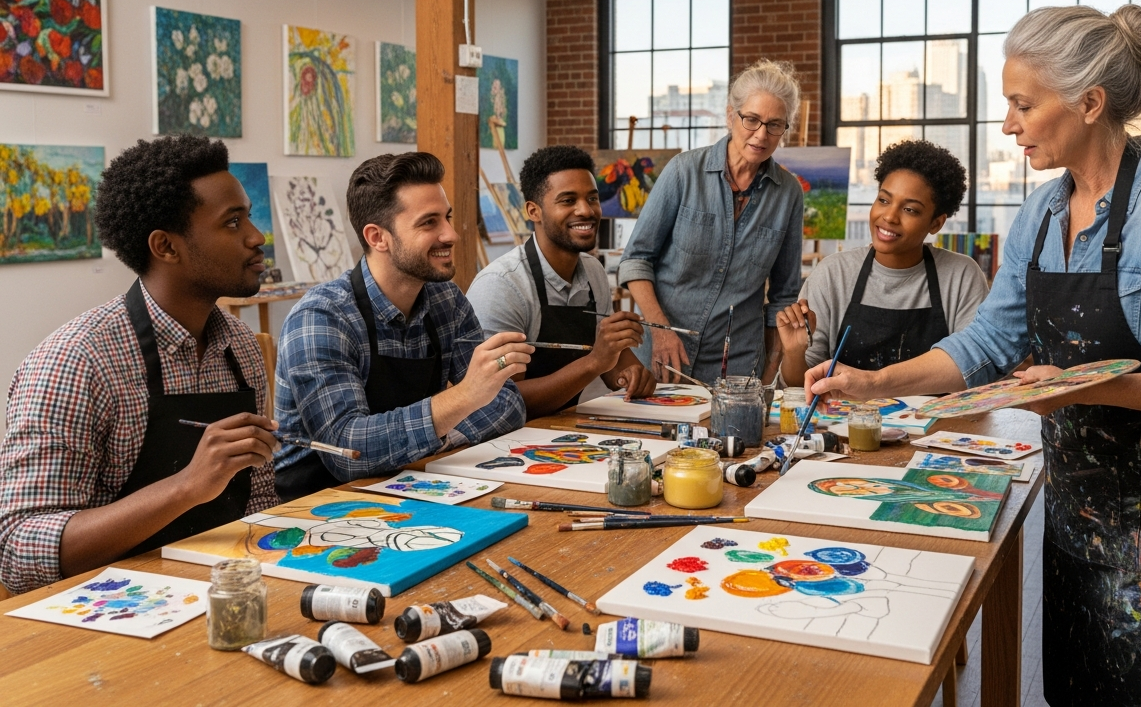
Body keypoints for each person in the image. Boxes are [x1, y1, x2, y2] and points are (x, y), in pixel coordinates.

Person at [805, 5, 1141, 707]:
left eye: (1023, 104)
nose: (1008, 125)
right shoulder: (1043, 214)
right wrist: (874, 383)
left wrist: (1086, 389)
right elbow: (990, 342)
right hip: (1080, 512)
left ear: (1088, 103)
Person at [0, 136, 279, 595]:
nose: (256, 236)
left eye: (248, 215)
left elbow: (259, 502)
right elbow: (19, 553)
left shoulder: (240, 348)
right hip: (108, 618)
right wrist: (186, 486)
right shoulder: (76, 361)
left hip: (221, 591)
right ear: (166, 247)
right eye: (233, 222)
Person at [273, 152, 528, 501]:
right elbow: (346, 451)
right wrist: (465, 397)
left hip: (413, 491)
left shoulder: (445, 300)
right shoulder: (321, 318)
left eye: (447, 217)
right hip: (319, 509)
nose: (451, 234)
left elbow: (507, 405)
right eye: (429, 223)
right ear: (378, 237)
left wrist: (439, 433)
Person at [618, 59, 805, 383]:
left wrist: (770, 372)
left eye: (775, 124)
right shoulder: (683, 172)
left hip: (737, 365)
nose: (761, 134)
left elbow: (783, 296)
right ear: (731, 115)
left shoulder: (788, 194)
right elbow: (636, 260)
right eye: (752, 120)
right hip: (663, 354)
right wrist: (661, 330)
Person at [776, 139, 989, 386]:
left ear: (936, 223)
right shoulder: (833, 275)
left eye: (910, 209)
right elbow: (799, 386)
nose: (889, 216)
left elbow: (974, 371)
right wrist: (793, 352)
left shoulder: (961, 276)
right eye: (884, 200)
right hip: (848, 423)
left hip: (939, 424)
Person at [467, 146, 656, 418]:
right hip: (505, 444)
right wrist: (593, 363)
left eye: (592, 198)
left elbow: (614, 362)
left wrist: (632, 375)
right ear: (534, 211)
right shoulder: (501, 287)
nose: (586, 210)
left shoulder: (593, 272)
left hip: (565, 429)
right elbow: (498, 402)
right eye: (568, 201)